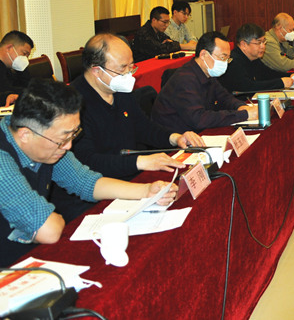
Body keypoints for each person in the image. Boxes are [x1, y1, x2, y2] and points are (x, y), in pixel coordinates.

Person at [0, 79, 177, 267]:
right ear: (25, 135)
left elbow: (86, 182)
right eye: (62, 139)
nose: (68, 146)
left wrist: (146, 191)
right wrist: (54, 218)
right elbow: (48, 231)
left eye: (73, 135)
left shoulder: (45, 143)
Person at [70, 34, 203, 179]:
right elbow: (88, 161)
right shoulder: (72, 104)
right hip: (101, 183)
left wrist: (175, 138)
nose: (129, 75)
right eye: (122, 69)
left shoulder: (119, 90)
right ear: (96, 71)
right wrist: (140, 162)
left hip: (132, 172)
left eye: (131, 67)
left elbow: (143, 127)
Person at [151, 31, 258, 131]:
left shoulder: (207, 72)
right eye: (222, 57)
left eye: (227, 59)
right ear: (203, 55)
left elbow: (224, 97)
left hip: (194, 132)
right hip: (176, 138)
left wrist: (241, 106)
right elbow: (199, 119)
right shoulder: (185, 79)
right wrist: (244, 115)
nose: (225, 63)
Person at [218, 23, 294, 94]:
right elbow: (248, 87)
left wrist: (290, 75)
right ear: (244, 44)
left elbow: (268, 74)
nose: (263, 46)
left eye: (264, 42)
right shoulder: (234, 62)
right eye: (258, 43)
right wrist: (280, 83)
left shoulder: (253, 58)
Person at [0, 31, 34, 106]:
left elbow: (28, 85)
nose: (25, 59)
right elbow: (5, 90)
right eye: (24, 53)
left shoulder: (10, 69)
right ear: (9, 48)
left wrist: (22, 69)